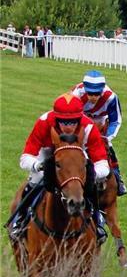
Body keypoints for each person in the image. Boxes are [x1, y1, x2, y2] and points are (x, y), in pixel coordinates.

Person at [8, 93, 110, 243]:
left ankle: (98, 223)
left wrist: (90, 172)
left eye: (73, 122)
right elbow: (25, 157)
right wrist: (38, 165)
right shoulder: (44, 122)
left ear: (79, 118)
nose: (68, 127)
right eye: (63, 122)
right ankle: (20, 220)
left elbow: (102, 163)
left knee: (89, 184)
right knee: (35, 180)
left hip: (77, 154)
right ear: (56, 118)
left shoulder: (88, 127)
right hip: (48, 153)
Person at [72, 70, 127, 196]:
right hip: (80, 122)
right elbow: (72, 117)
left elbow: (115, 121)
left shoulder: (111, 97)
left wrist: (107, 138)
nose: (93, 97)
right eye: (90, 93)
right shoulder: (77, 94)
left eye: (97, 94)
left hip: (100, 122)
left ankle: (118, 179)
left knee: (108, 149)